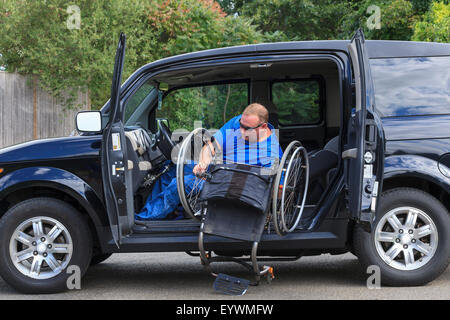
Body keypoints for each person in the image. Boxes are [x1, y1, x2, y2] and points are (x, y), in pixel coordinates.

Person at [135, 103, 283, 220]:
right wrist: (203, 164)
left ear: (263, 127)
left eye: (247, 128)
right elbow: (210, 146)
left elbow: (275, 190)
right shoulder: (238, 123)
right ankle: (158, 212)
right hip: (218, 169)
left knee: (179, 184)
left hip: (231, 184)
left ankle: (144, 219)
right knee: (174, 167)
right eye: (241, 125)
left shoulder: (272, 153)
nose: (241, 130)